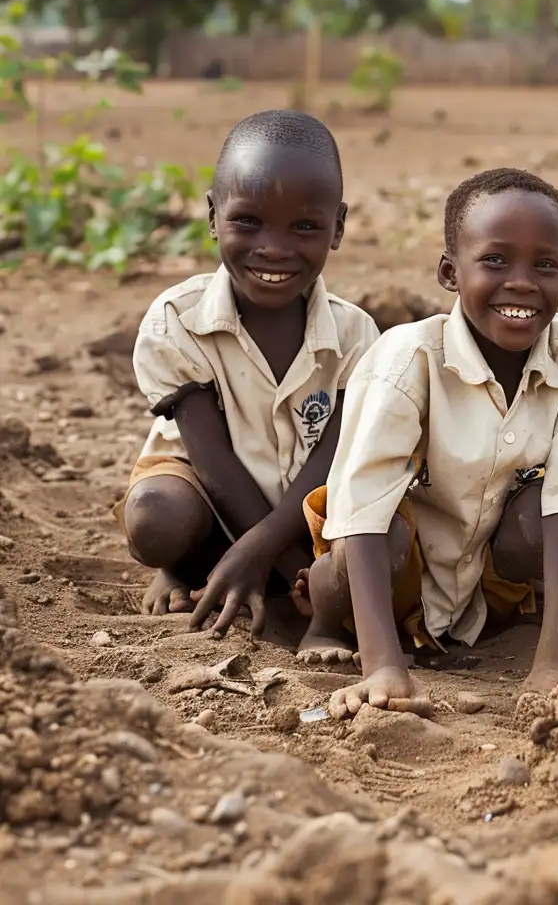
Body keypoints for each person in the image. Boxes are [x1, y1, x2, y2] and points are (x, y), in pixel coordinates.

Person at [301, 167, 558, 709]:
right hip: (392, 570)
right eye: (495, 260)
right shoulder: (409, 359)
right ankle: (324, 624)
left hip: (484, 577)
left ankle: (534, 614)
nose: (521, 281)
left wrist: (555, 662)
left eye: (545, 264)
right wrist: (382, 668)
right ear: (450, 272)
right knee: (354, 558)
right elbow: (361, 513)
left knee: (545, 516)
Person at [122, 110, 374, 641]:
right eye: (248, 222)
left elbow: (332, 461)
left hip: (307, 508)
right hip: (209, 497)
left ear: (339, 227)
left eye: (304, 226)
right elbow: (213, 464)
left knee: (369, 541)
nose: (274, 249)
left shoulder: (356, 336)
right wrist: (281, 568)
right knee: (155, 521)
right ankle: (191, 568)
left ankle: (249, 567)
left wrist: (270, 554)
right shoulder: (176, 319)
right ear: (213, 216)